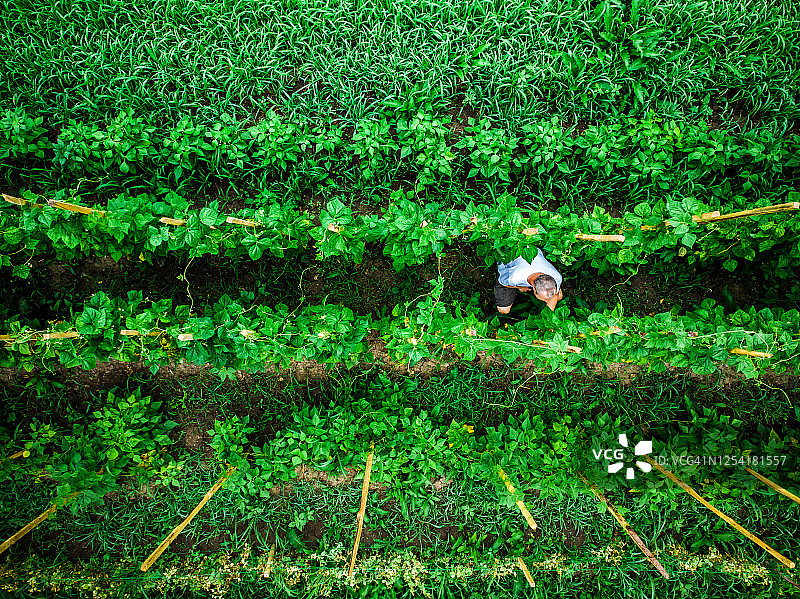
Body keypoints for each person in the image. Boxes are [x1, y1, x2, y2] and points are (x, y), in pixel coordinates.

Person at [494, 249, 563, 313]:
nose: (547, 301)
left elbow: (554, 296)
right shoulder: (514, 278)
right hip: (507, 264)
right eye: (545, 300)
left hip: (530, 251)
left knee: (559, 296)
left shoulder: (557, 277)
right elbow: (502, 282)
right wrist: (519, 287)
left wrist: (548, 318)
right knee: (504, 310)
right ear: (533, 288)